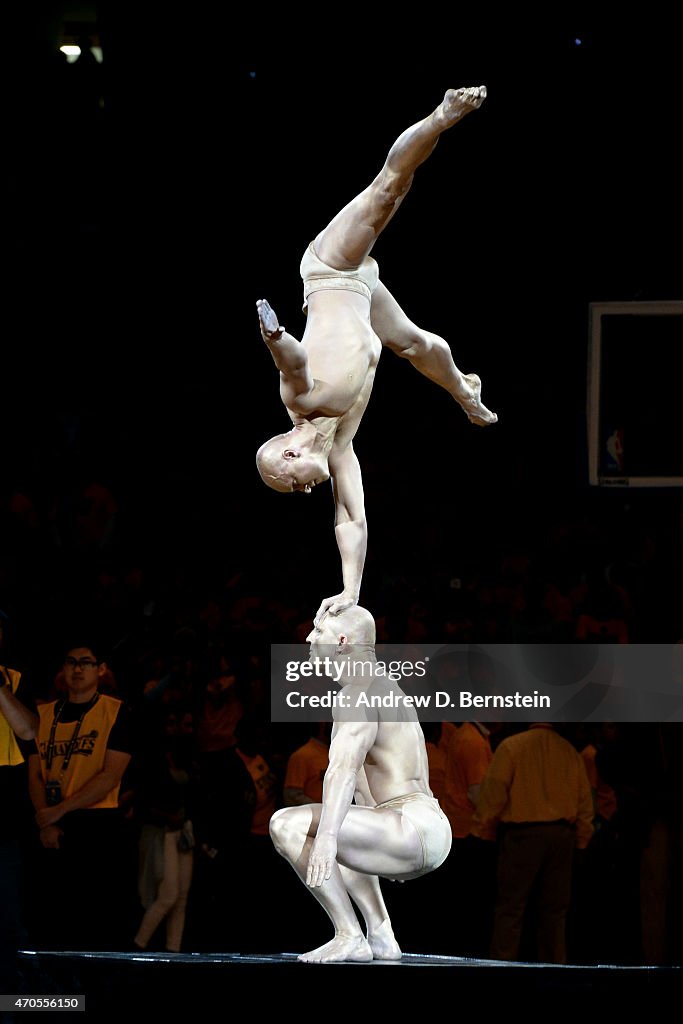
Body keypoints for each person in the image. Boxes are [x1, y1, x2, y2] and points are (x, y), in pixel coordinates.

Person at [256, 86, 497, 623]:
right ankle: (464, 388)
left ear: (290, 456)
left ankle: (443, 114)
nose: (307, 491)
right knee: (414, 344)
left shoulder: (302, 402)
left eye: (295, 483)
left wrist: (274, 338)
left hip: (331, 270)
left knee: (389, 189)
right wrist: (350, 591)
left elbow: (291, 364)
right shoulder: (339, 446)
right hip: (365, 306)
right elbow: (351, 521)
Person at [269, 606, 452, 963]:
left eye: (317, 631)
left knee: (286, 825)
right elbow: (368, 790)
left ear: (341, 642)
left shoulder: (359, 691)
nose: (308, 638)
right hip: (422, 827)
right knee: (340, 820)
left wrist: (327, 837)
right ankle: (381, 934)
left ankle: (348, 934)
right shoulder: (384, 685)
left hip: (409, 824)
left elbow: (342, 770)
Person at [27, 638, 135, 950]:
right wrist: (45, 821)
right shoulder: (43, 714)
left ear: (101, 669)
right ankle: (55, 995)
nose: (77, 669)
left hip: (98, 825)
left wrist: (56, 813)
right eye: (71, 662)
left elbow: (110, 776)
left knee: (96, 919)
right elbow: (33, 772)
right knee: (51, 917)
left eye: (85, 662)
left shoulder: (117, 713)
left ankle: (95, 993)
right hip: (49, 823)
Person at [472, 723, 594, 964]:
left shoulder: (512, 746)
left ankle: (502, 968)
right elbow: (584, 802)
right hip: (562, 836)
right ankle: (555, 971)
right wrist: (582, 840)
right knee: (554, 913)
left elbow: (494, 792)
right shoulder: (569, 751)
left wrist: (481, 829)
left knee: (511, 910)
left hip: (522, 835)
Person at [0, 610, 38, 994]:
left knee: (8, 920)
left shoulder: (14, 679)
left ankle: (17, 1003)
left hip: (4, 818)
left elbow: (28, 729)